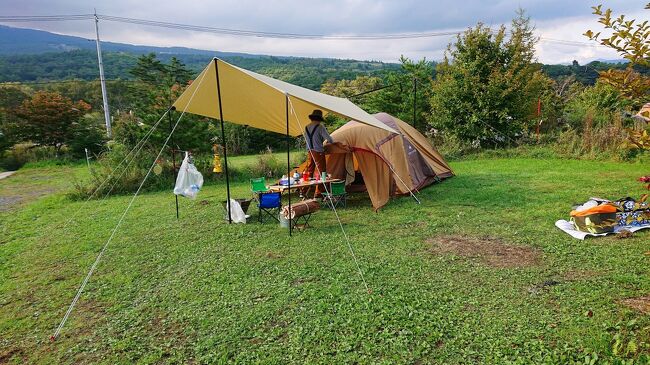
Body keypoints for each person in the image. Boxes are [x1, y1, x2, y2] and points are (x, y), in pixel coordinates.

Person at [303, 109, 333, 198]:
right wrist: (325, 141)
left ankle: (303, 190)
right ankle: (319, 192)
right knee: (322, 172)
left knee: (309, 171)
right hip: (318, 151)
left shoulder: (306, 127)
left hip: (309, 151)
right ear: (319, 118)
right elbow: (330, 139)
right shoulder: (320, 127)